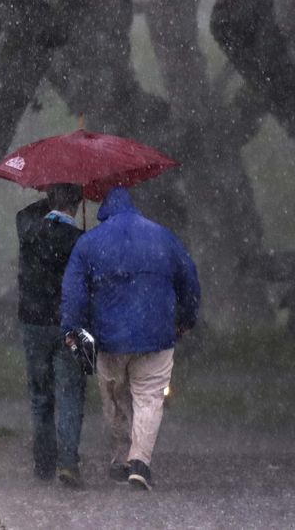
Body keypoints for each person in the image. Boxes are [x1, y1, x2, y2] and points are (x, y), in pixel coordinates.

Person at [61, 186, 201, 491]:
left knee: (114, 397)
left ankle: (122, 457)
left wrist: (72, 329)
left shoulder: (88, 243)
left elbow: (73, 294)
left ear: (104, 211)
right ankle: (140, 462)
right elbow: (189, 279)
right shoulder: (163, 237)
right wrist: (186, 320)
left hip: (109, 339)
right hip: (156, 335)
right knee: (149, 398)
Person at [15, 182, 87, 487]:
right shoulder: (80, 241)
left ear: (49, 200)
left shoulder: (29, 232)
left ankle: (43, 463)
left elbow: (23, 212)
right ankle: (67, 464)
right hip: (68, 325)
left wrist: (48, 200)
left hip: (33, 324)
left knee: (40, 396)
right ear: (78, 204)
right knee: (70, 393)